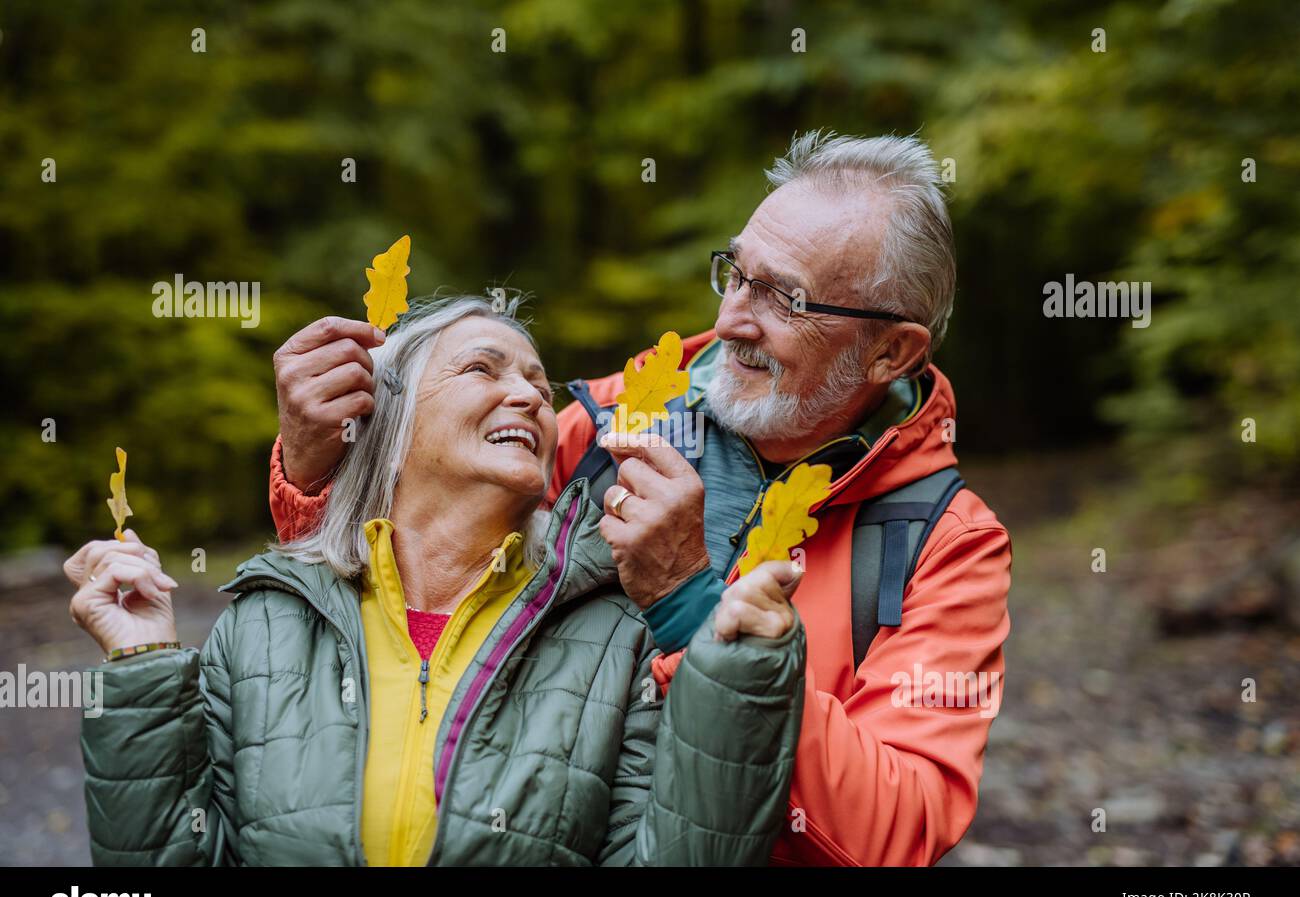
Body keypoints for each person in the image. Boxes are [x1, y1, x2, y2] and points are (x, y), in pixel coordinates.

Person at [268, 131, 1013, 866]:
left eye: (786, 299)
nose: (729, 322)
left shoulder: (948, 543)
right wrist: (312, 475)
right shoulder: (608, 425)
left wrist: (696, 611)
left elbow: (899, 824)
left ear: (892, 352)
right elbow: (400, 587)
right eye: (735, 273)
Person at [67, 295, 806, 866]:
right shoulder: (264, 624)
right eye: (483, 369)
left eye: (537, 386)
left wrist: (740, 675)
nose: (526, 396)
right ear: (386, 421)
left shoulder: (619, 638)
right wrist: (141, 671)